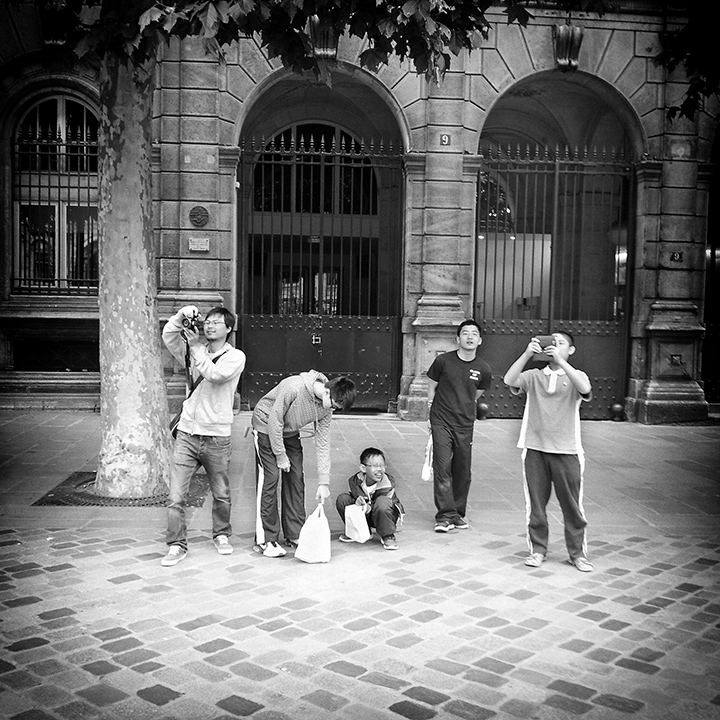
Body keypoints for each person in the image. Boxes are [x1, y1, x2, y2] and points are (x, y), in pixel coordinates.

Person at [160, 305, 246, 567]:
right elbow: (168, 335)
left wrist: (196, 347)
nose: (209, 326)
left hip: (216, 436)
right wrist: (180, 316)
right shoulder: (193, 351)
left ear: (228, 328)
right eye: (207, 321)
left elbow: (215, 375)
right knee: (176, 495)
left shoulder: (236, 357)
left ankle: (221, 534)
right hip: (187, 432)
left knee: (221, 493)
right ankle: (176, 544)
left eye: (217, 322)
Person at [503, 332, 594, 572]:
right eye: (550, 343)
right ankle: (538, 549)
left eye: (560, 343)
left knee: (572, 506)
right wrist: (527, 354)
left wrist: (562, 363)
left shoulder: (577, 376)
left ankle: (577, 553)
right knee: (536, 505)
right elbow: (509, 380)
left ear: (571, 350)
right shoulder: (534, 376)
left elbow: (585, 388)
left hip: (567, 450)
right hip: (535, 448)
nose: (554, 347)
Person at [251, 371, 356, 557]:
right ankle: (266, 540)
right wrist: (281, 456)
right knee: (270, 478)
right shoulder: (294, 387)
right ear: (327, 392)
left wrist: (324, 483)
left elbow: (323, 442)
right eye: (335, 406)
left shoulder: (326, 408)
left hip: (289, 430)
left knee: (296, 477)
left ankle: (294, 533)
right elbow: (275, 421)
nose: (334, 410)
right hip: (266, 425)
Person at [427, 319, 492, 533]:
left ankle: (458, 513)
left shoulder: (483, 368)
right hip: (441, 421)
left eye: (474, 333)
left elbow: (477, 393)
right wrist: (430, 411)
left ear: (480, 340)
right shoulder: (443, 361)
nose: (470, 337)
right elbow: (432, 385)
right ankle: (445, 516)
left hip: (465, 423)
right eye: (465, 333)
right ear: (458, 338)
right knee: (443, 466)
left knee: (463, 471)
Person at [336, 447, 404, 550]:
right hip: (366, 513)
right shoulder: (355, 481)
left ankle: (388, 535)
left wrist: (369, 507)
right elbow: (356, 496)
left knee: (383, 502)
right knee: (343, 499)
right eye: (375, 466)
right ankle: (360, 530)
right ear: (363, 468)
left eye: (382, 465)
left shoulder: (387, 484)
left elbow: (383, 504)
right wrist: (357, 501)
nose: (380, 470)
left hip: (384, 516)